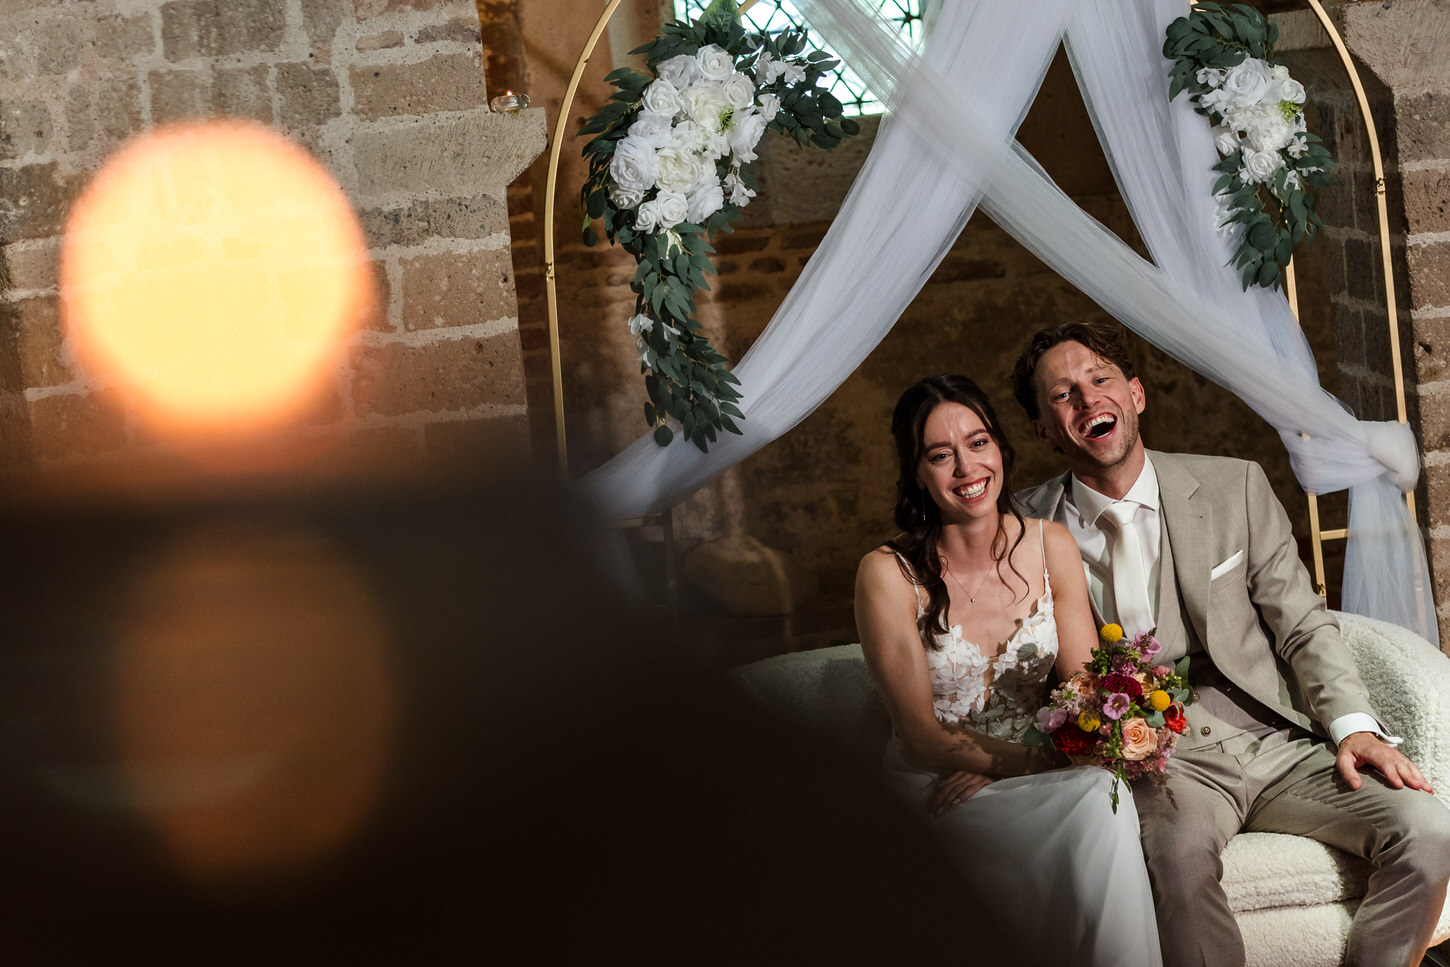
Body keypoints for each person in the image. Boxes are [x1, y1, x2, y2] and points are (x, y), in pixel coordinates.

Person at [1010, 321, 1450, 967]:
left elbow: (1301, 622)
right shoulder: (1023, 531)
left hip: (1272, 737)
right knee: (1178, 860)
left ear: (1135, 394)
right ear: (1045, 429)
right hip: (1158, 764)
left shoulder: (1234, 486)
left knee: (1429, 829)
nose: (1086, 399)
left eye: (1100, 379)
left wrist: (1354, 726)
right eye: (1062, 395)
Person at [854, 373, 1163, 966]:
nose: (967, 468)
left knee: (1103, 791)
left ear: (1001, 447)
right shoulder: (886, 574)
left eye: (978, 443)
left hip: (1032, 774)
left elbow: (1080, 693)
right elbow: (920, 737)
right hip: (935, 791)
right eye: (941, 455)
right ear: (917, 471)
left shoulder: (1051, 545)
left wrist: (1027, 765)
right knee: (1093, 798)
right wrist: (1027, 766)